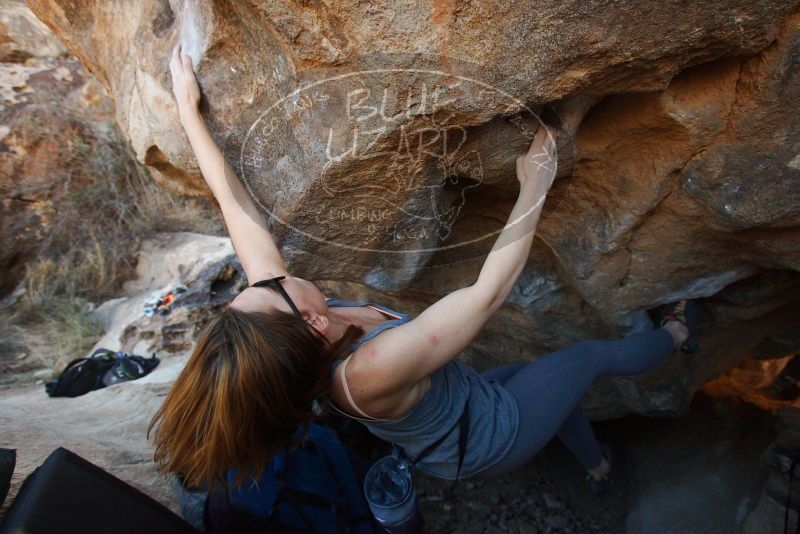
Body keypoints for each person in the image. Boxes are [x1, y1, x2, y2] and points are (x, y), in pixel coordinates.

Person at [148, 44, 695, 497]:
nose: (264, 275)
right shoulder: (369, 369)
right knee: (587, 358)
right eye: (268, 288)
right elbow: (487, 293)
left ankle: (596, 466)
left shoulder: (296, 325)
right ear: (311, 325)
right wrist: (535, 183)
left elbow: (234, 207)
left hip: (469, 403)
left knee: (559, 388)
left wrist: (190, 114)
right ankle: (677, 333)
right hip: (487, 439)